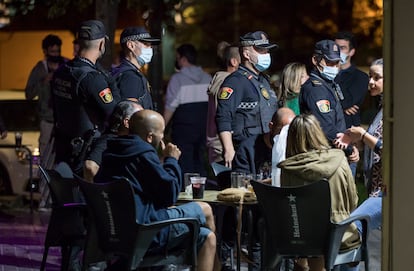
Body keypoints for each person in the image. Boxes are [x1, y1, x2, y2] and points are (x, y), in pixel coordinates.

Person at [95, 109, 217, 271]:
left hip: (116, 232)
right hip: (148, 231)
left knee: (205, 234)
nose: (163, 137)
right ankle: (218, 266)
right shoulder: (144, 153)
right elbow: (170, 196)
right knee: (206, 212)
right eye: (162, 132)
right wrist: (171, 160)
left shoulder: (112, 151)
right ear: (150, 137)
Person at [279, 114, 359, 271]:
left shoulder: (288, 169)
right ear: (318, 133)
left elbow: (289, 208)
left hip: (301, 238)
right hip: (339, 234)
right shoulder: (339, 159)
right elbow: (353, 200)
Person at [51, 19, 120, 175]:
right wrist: (111, 82)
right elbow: (114, 111)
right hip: (86, 154)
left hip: (65, 150)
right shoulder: (92, 78)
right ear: (102, 44)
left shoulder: (63, 70)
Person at [216, 30, 278, 175]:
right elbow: (223, 116)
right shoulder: (235, 81)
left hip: (264, 149)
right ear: (246, 54)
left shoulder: (264, 80)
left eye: (267, 50)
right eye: (261, 50)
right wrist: (228, 148)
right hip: (244, 152)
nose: (266, 54)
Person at [299, 39, 359, 163]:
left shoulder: (327, 85)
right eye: (330, 62)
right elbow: (325, 126)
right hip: (322, 155)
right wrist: (349, 147)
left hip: (331, 152)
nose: (334, 67)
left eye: (337, 63)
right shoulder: (316, 89)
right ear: (315, 60)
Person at [163, 43, 212, 176]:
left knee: (184, 164)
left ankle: (186, 193)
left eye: (177, 58)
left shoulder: (177, 79)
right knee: (200, 162)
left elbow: (170, 107)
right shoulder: (208, 78)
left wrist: (161, 129)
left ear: (183, 59)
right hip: (203, 128)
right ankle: (201, 191)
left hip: (183, 129)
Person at [25, 34, 66, 161]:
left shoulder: (65, 65)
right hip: (47, 120)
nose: (55, 54)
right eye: (52, 51)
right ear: (45, 51)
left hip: (64, 121)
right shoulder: (40, 68)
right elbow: (29, 94)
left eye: (57, 51)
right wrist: (44, 81)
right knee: (45, 156)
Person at [83, 100, 143, 182]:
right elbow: (90, 166)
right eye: (140, 119)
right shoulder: (108, 141)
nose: (144, 122)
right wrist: (103, 191)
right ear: (127, 122)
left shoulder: (128, 141)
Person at [206, 43, 241, 164]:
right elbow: (224, 116)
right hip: (223, 148)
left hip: (219, 146)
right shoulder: (227, 83)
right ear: (234, 62)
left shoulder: (222, 80)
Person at [111, 26, 160, 109]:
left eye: (150, 45)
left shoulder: (123, 71)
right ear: (131, 45)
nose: (150, 49)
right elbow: (130, 113)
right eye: (146, 44)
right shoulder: (131, 77)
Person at [334, 31, 369, 129]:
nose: (338, 51)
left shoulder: (360, 77)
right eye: (336, 48)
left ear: (351, 52)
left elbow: (348, 102)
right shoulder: (326, 73)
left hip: (348, 130)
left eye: (342, 48)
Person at [264, 107, 295, 187]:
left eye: (290, 130)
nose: (285, 136)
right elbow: (242, 179)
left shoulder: (296, 147)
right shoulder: (248, 148)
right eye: (282, 130)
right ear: (271, 126)